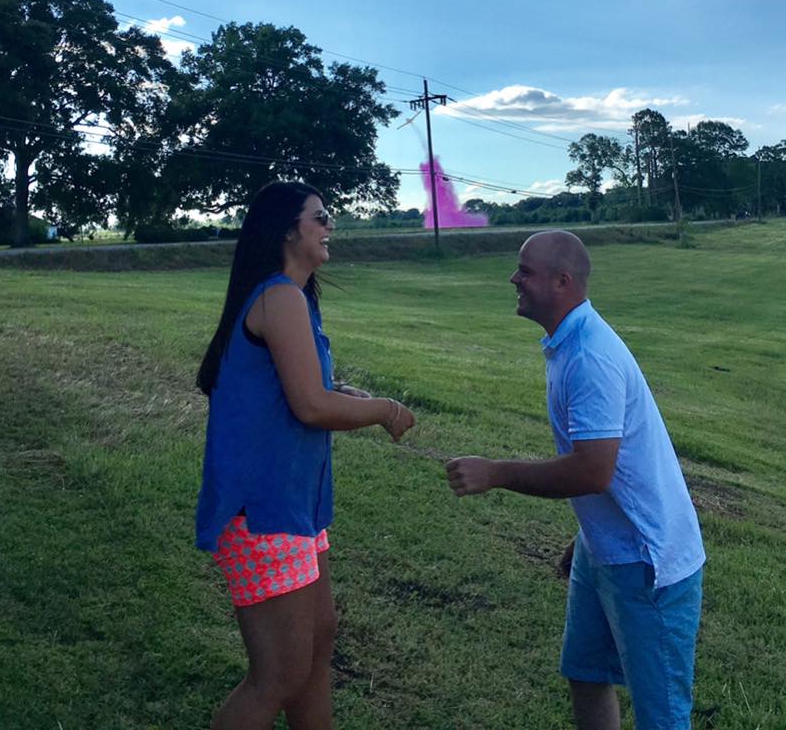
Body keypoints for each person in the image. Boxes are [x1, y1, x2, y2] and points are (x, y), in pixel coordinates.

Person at [446, 230, 704, 730]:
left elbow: (593, 468)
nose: (514, 278)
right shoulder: (568, 342)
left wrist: (496, 473)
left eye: (525, 271)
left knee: (663, 717)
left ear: (563, 281)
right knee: (585, 674)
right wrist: (586, 534)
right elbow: (613, 468)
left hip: (647, 562)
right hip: (604, 549)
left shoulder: (589, 357)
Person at [195, 181, 415, 730]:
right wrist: (384, 409)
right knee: (279, 675)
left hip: (293, 508)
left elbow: (304, 387)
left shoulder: (293, 298)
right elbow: (311, 406)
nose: (329, 225)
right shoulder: (279, 296)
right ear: (290, 229)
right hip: (262, 512)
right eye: (320, 216)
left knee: (318, 643)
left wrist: (347, 393)